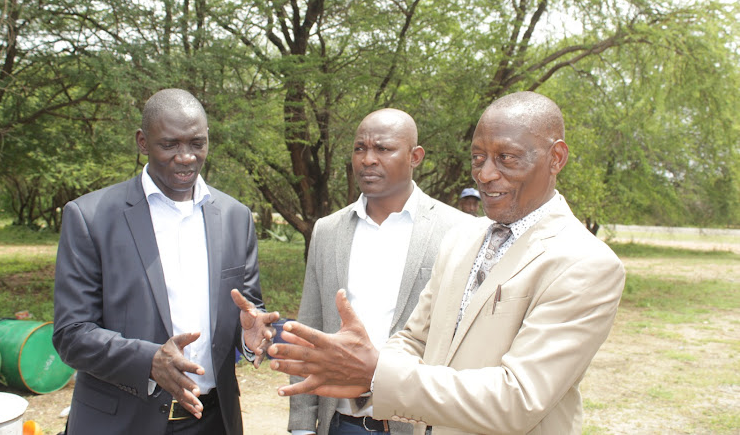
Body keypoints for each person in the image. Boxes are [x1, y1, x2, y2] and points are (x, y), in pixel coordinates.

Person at [270, 91, 626, 435]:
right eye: (477, 158)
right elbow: (413, 339)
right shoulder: (463, 239)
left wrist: (376, 374)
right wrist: (356, 370)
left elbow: (517, 399)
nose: (485, 174)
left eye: (507, 158)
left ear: (556, 158)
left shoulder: (585, 264)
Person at [52, 89, 278, 435]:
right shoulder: (91, 217)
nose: (186, 157)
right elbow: (71, 334)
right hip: (120, 424)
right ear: (143, 142)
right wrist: (148, 361)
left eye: (196, 144)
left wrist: (248, 337)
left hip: (213, 421)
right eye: (169, 145)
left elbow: (246, 309)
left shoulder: (236, 217)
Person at [288, 108, 470, 435]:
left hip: (421, 426)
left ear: (415, 157)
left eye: (383, 149)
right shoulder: (327, 231)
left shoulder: (459, 231)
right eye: (360, 148)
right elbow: (309, 329)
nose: (368, 159)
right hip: (342, 424)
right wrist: (302, 426)